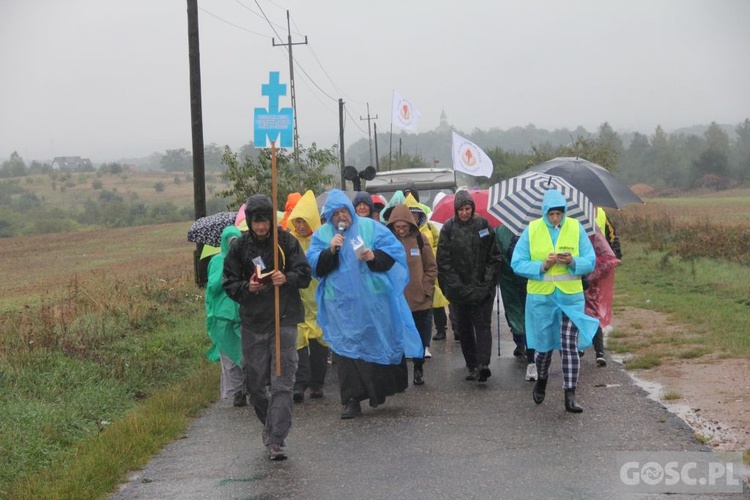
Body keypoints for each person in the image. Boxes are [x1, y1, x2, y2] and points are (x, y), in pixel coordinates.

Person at [306, 189, 423, 419]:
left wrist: (373, 257)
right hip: (340, 307)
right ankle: (350, 400)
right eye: (336, 213)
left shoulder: (371, 228)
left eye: (344, 211)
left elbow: (394, 253)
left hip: (373, 304)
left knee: (375, 343)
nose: (341, 217)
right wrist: (330, 251)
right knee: (345, 351)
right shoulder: (322, 235)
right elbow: (313, 265)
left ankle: (376, 391)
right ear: (329, 216)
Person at [223, 194, 312, 460]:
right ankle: (270, 426)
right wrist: (246, 288)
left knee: (282, 381)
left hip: (283, 320)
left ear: (271, 220)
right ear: (249, 221)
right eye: (256, 221)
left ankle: (276, 440)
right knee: (256, 386)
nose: (261, 227)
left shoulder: (286, 242)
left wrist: (287, 277)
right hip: (253, 323)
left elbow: (305, 274)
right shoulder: (238, 248)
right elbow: (228, 283)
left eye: (265, 221)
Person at [511, 189, 599, 413]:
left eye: (559, 214)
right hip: (542, 298)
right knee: (543, 348)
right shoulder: (531, 230)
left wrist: (573, 261)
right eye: (551, 214)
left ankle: (570, 394)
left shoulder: (575, 228)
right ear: (544, 213)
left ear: (565, 212)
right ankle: (542, 378)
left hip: (570, 298)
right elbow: (517, 263)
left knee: (569, 347)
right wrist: (542, 265)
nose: (555, 218)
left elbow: (590, 260)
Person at [436, 190, 502, 382]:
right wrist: (459, 287)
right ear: (456, 210)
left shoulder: (483, 225)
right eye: (461, 209)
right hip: (459, 290)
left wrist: (486, 283)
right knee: (464, 328)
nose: (465, 212)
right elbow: (444, 262)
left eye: (468, 208)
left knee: (483, 326)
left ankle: (483, 365)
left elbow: (494, 256)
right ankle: (472, 365)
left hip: (483, 288)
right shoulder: (448, 229)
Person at [387, 203, 437, 385]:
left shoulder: (420, 240)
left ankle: (418, 368)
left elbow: (431, 267)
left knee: (419, 337)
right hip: (396, 300)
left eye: (404, 226)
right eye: (397, 227)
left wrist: (426, 288)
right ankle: (399, 376)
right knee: (398, 338)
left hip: (419, 300)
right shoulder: (387, 241)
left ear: (411, 224)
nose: (401, 230)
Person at [287, 190, 329, 402]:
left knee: (320, 346)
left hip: (319, 299)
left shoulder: (321, 239)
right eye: (297, 221)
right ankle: (299, 384)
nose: (300, 226)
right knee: (299, 344)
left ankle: (317, 384)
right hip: (298, 300)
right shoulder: (288, 241)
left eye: (304, 221)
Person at [205, 225, 246, 406]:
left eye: (235, 240)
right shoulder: (216, 262)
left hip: (244, 313)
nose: (232, 244)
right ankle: (238, 392)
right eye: (229, 241)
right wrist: (226, 271)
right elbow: (212, 288)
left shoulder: (246, 258)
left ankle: (250, 388)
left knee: (247, 355)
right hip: (223, 315)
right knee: (229, 357)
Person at [495, 223, 536, 381]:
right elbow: (497, 253)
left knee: (526, 311)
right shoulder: (499, 231)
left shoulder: (534, 228)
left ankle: (527, 344)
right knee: (514, 310)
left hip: (526, 278)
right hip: (509, 278)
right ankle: (520, 341)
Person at [584, 228, 621, 367]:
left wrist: (592, 275)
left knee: (592, 315)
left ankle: (599, 351)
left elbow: (607, 257)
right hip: (574, 283)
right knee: (576, 316)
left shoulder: (594, 234)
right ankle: (580, 348)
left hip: (589, 284)